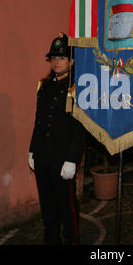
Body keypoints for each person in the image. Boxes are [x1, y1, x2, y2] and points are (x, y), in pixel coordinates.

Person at [28, 32, 85, 245]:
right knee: (48, 207)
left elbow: (79, 127)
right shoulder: (44, 87)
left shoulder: (76, 88)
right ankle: (51, 241)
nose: (56, 62)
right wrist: (32, 149)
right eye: (53, 58)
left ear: (71, 61)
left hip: (62, 160)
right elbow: (39, 121)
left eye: (61, 58)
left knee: (67, 207)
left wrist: (72, 158)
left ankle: (72, 241)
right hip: (43, 156)